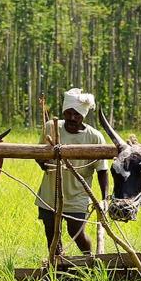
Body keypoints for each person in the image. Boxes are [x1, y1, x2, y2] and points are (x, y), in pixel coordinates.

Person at [36, 88, 109, 256]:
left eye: (77, 115)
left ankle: (89, 260)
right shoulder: (51, 127)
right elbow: (38, 155)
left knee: (77, 232)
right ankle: (58, 266)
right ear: (63, 112)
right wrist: (43, 163)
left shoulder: (95, 137)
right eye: (68, 114)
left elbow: (102, 170)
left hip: (78, 195)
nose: (72, 118)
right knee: (52, 234)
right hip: (50, 194)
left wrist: (105, 199)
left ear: (83, 116)